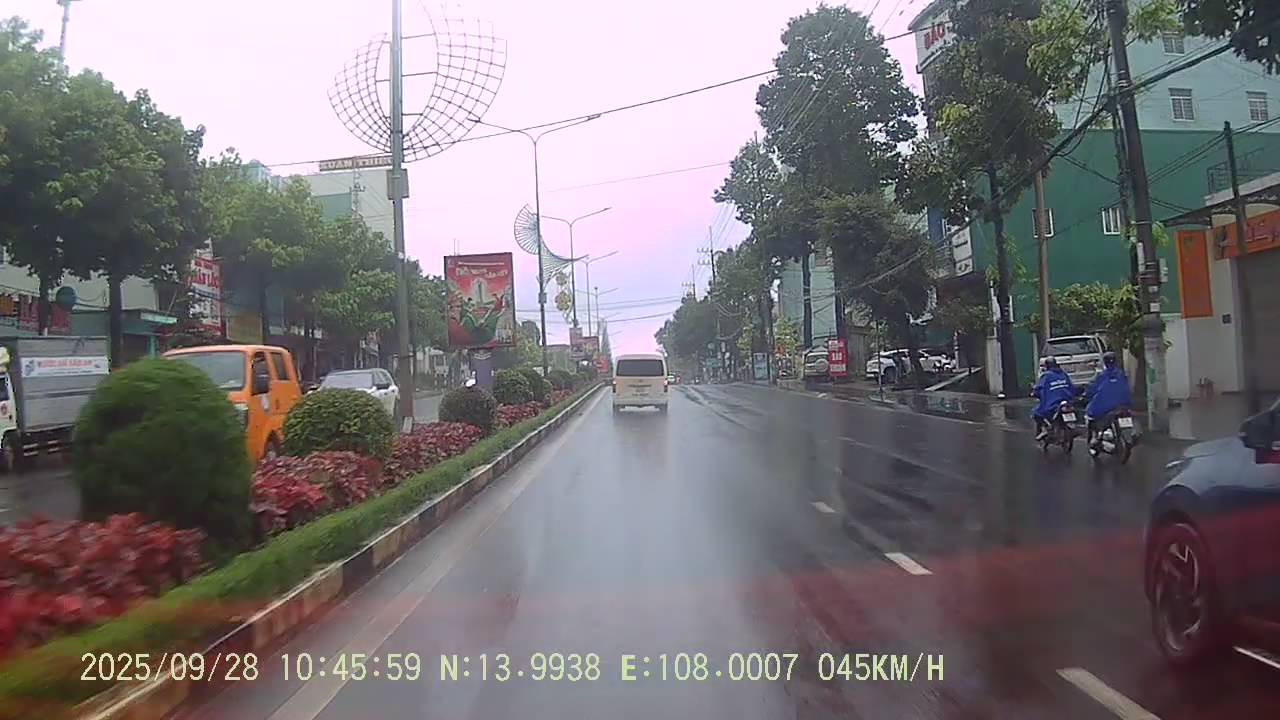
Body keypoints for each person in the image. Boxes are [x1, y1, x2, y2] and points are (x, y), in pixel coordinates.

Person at [1083, 351, 1132, 455]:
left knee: (1090, 414)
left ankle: (1098, 437)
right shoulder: (1121, 374)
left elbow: (1092, 389)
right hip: (1123, 404)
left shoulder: (1102, 376)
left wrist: (1086, 394)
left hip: (1106, 406)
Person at [1032, 356, 1076, 441]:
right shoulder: (1063, 374)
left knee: (1036, 413)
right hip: (1067, 400)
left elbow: (1038, 388)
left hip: (1052, 403)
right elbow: (1071, 386)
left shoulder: (1046, 376)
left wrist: (1034, 393)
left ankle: (1044, 429)